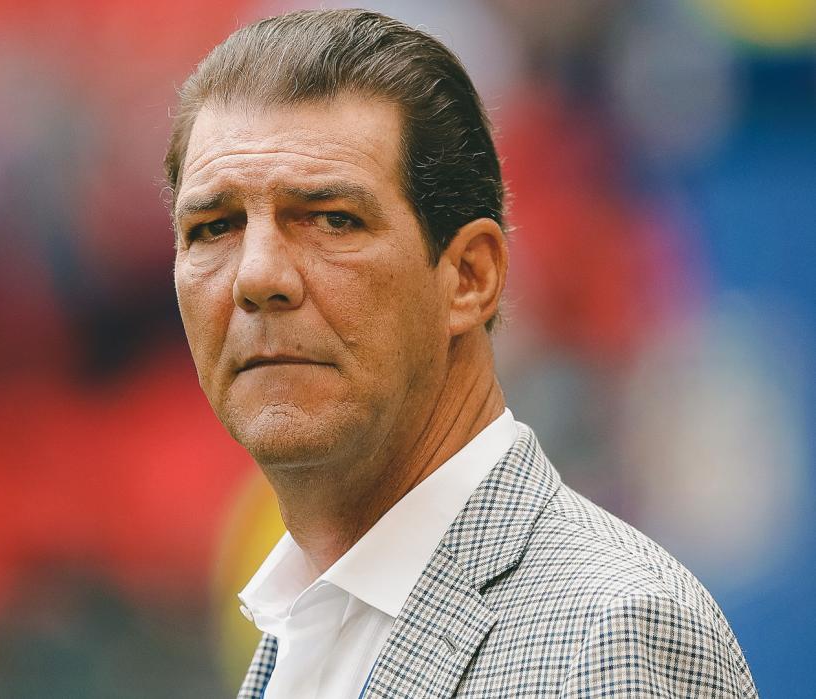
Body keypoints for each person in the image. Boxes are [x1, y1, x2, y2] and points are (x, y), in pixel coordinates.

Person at [164, 9, 757, 699]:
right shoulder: (301, 630)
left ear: (471, 277)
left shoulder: (609, 634)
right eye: (213, 227)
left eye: (332, 219)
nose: (257, 276)